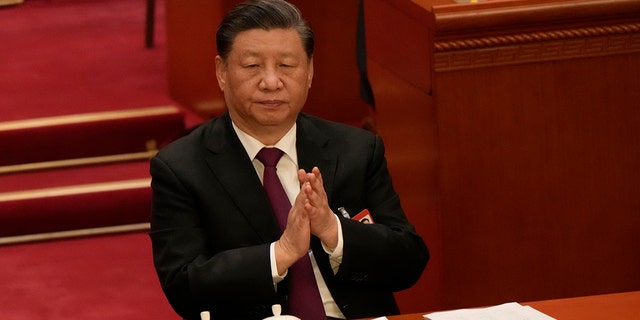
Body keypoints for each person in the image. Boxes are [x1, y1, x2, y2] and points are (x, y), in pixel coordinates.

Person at [149, 0, 429, 319]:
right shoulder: (182, 168)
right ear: (221, 72)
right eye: (253, 66)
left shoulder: (356, 149)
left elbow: (409, 262)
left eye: (286, 65)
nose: (271, 82)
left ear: (309, 72)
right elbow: (183, 287)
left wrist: (333, 230)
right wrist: (278, 255)